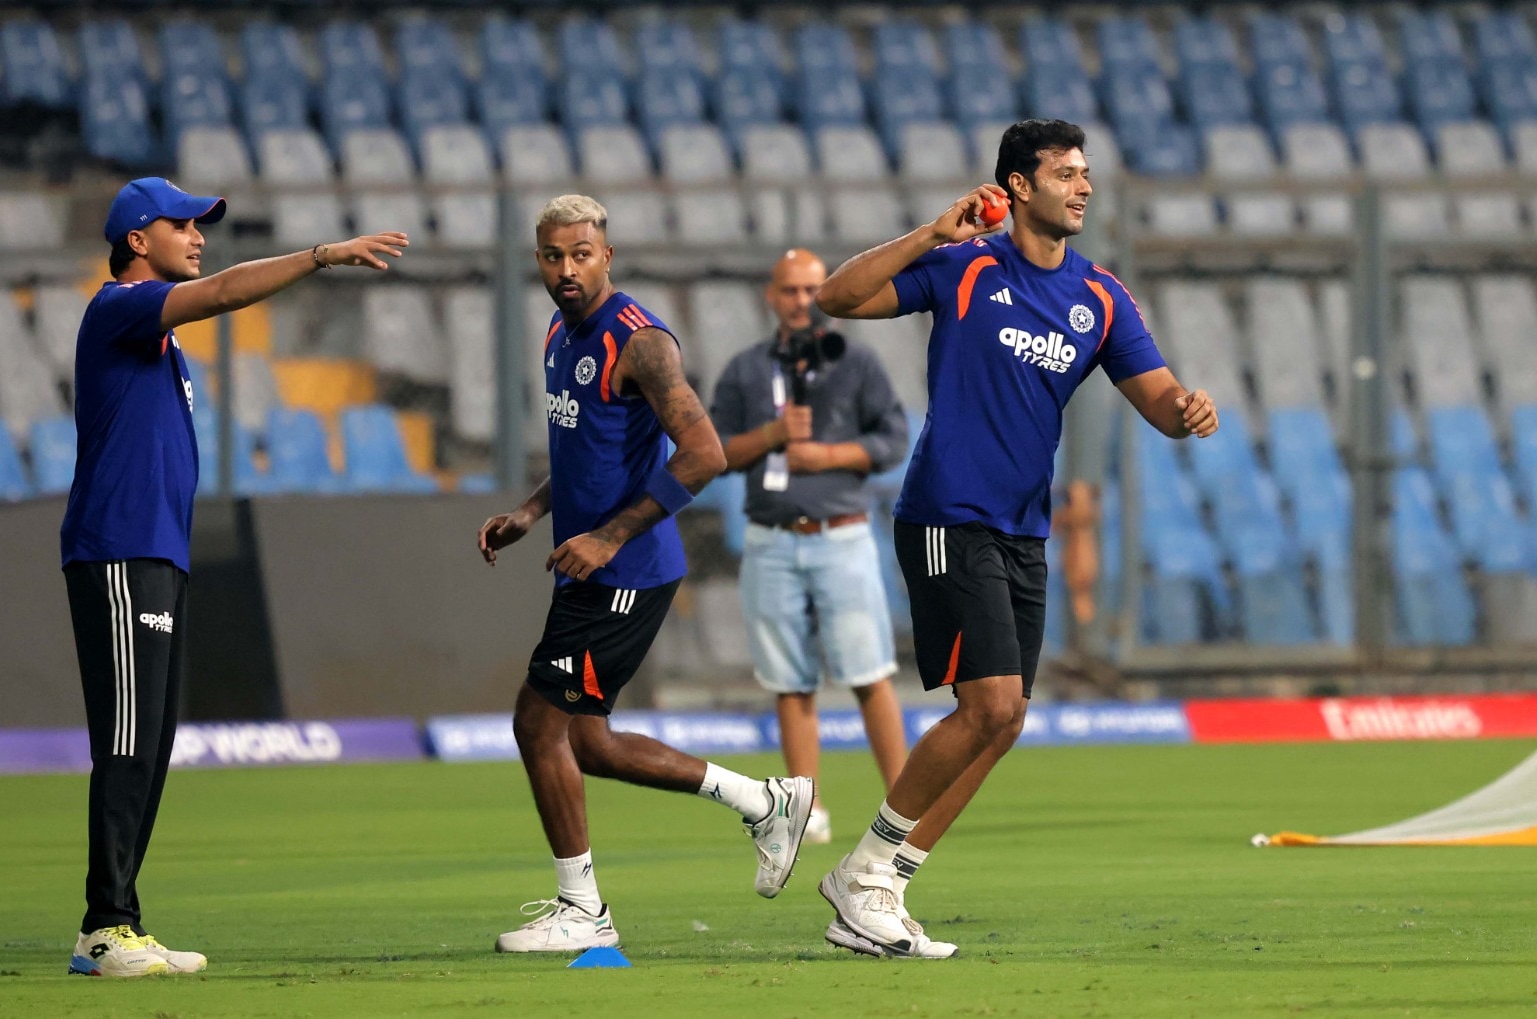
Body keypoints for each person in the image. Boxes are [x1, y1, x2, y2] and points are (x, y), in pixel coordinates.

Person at [810, 119, 1219, 958]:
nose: (1084, 186)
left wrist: (1188, 411)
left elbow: (1162, 401)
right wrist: (931, 231)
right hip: (947, 514)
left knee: (1004, 721)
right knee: (989, 704)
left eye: (1087, 172)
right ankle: (863, 872)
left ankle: (884, 882)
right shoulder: (965, 268)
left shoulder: (1099, 296)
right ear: (1018, 186)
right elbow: (837, 297)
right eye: (1066, 172)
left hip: (1022, 528)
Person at [62, 176, 408, 977]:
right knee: (126, 740)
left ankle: (115, 923)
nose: (199, 236)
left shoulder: (157, 339)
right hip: (117, 550)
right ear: (136, 238)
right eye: (182, 223)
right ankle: (107, 925)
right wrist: (321, 255)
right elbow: (219, 293)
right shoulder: (116, 307)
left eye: (201, 224)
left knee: (149, 740)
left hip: (155, 554)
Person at [477, 195, 815, 954]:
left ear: (607, 255)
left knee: (535, 722)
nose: (567, 268)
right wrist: (532, 512)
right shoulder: (560, 336)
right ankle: (765, 801)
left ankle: (583, 908)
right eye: (553, 256)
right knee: (586, 742)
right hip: (588, 564)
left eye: (581, 254)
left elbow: (704, 455)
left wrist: (606, 537)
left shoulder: (642, 343)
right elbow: (584, 453)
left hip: (625, 568)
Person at [709, 248, 910, 848]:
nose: (802, 301)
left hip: (842, 533)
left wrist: (827, 455)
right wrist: (769, 437)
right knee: (789, 682)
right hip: (771, 540)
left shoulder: (857, 362)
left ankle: (906, 804)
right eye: (791, 290)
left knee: (869, 673)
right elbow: (713, 450)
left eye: (812, 290)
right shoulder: (746, 370)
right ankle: (806, 806)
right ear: (771, 296)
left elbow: (893, 439)